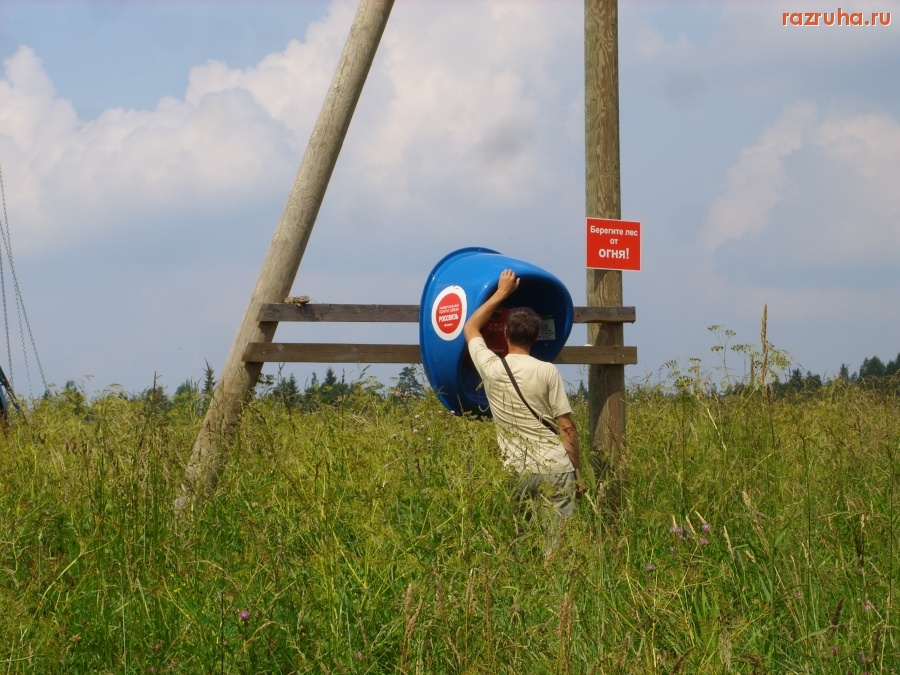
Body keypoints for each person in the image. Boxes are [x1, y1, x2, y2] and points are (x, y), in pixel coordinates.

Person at [463, 269, 584, 548]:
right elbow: (566, 426)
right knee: (558, 544)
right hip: (555, 467)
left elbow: (470, 328)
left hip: (516, 469)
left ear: (505, 333)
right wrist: (576, 472)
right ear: (536, 336)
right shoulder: (548, 371)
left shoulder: (491, 368)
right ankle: (556, 576)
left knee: (517, 542)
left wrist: (501, 293)